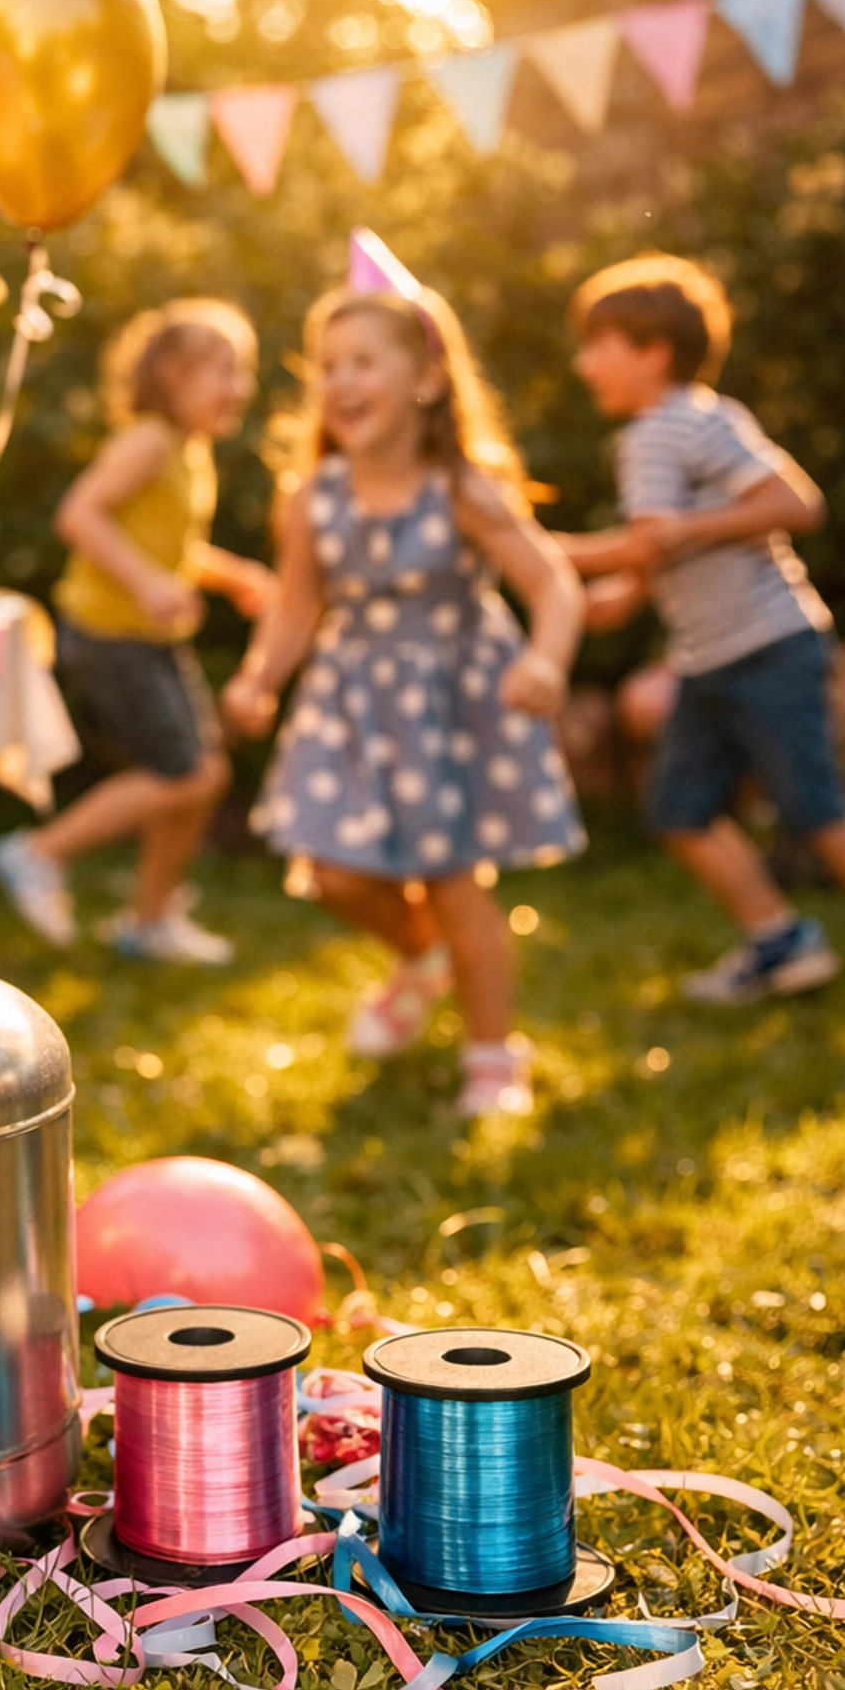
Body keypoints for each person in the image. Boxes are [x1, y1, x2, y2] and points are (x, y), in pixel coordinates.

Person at [221, 254, 586, 1117]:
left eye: (364, 362)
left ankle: (493, 1060)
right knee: (332, 872)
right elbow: (296, 604)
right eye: (329, 366)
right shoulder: (312, 497)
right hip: (351, 704)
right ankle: (424, 960)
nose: (341, 382)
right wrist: (259, 677)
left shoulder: (462, 489)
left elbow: (553, 583)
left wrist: (546, 659)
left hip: (453, 708)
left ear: (426, 379)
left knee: (457, 883)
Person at [561, 252, 845, 1004]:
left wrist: (534, 550)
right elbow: (659, 542)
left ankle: (782, 943)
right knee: (680, 811)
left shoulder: (672, 425)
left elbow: (798, 505)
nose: (583, 364)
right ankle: (781, 944)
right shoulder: (687, 421)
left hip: (769, 648)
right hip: (708, 660)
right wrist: (631, 590)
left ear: (651, 353)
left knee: (817, 811)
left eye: (597, 346)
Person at [0, 299, 273, 963]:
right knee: (185, 775)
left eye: (243, 372)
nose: (240, 388)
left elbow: (171, 547)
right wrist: (147, 585)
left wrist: (232, 577)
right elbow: (80, 515)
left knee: (204, 773)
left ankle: (149, 919)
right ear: (173, 374)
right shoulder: (148, 441)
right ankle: (38, 853)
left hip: (147, 638)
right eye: (225, 371)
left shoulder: (186, 451)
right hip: (110, 635)